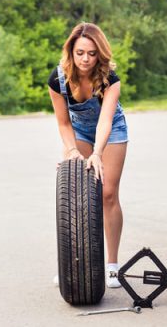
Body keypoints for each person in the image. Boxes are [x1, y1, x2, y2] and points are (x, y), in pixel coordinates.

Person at [48, 22, 129, 289]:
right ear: (71, 51)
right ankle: (73, 265)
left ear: (100, 54)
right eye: (80, 52)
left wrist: (97, 153)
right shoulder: (57, 79)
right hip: (79, 130)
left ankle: (112, 265)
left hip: (112, 130)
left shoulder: (109, 80)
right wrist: (71, 150)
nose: (85, 59)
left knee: (107, 193)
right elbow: (63, 123)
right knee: (75, 196)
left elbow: (105, 120)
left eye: (92, 54)